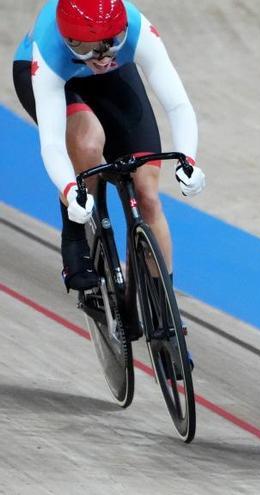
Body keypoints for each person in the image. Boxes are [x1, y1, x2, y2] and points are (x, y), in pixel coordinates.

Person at [12, 0, 206, 294]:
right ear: (69, 40)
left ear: (122, 30)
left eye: (109, 45)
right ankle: (75, 235)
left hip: (112, 79)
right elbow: (52, 143)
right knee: (88, 142)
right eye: (86, 49)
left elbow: (178, 104)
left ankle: (163, 307)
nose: (100, 58)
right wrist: (68, 190)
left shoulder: (137, 28)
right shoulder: (49, 49)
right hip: (52, 76)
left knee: (148, 195)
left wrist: (188, 160)